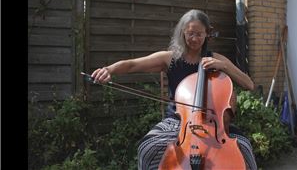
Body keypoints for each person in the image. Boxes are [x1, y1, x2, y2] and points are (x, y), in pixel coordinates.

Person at [92, 9, 257, 170]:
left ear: (207, 33)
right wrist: (109, 70)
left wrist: (225, 66)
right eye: (190, 33)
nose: (194, 38)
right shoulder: (170, 58)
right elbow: (133, 64)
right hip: (177, 122)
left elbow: (248, 84)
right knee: (147, 148)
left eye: (199, 34)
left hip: (214, 126)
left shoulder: (216, 59)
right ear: (183, 32)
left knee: (245, 149)